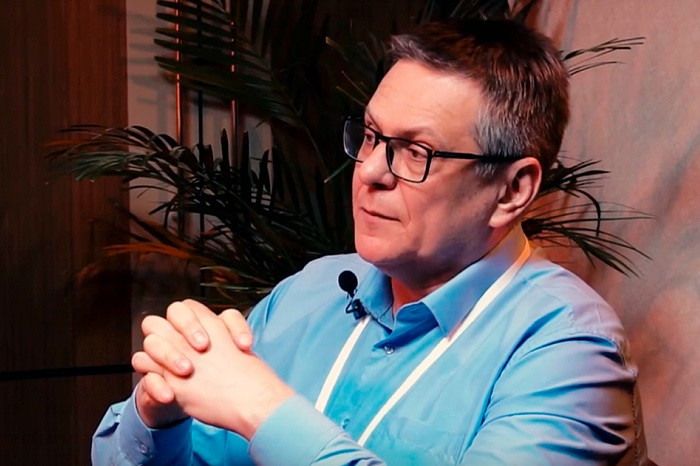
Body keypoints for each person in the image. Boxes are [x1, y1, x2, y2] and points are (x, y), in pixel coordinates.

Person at [92, 19, 648, 465]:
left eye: (416, 152)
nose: (370, 172)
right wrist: (158, 414)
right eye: (372, 136)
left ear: (512, 189)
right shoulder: (310, 291)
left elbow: (255, 410)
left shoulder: (569, 348)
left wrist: (262, 409)